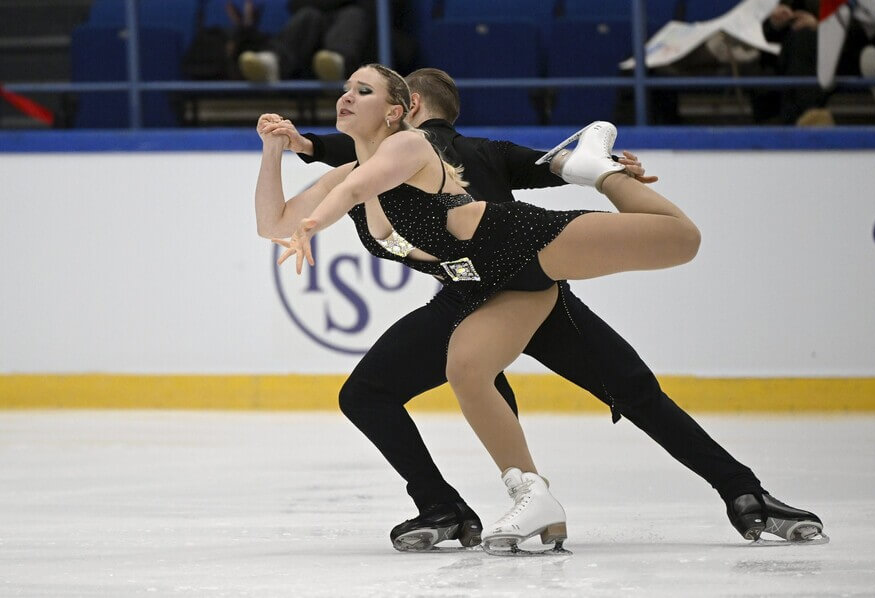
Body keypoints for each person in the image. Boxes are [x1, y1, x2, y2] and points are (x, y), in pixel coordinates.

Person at [254, 65, 825, 551]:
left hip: (523, 260)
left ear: (407, 108)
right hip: (472, 290)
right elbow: (274, 222)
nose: (346, 96)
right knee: (433, 377)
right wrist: (277, 151)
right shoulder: (354, 170)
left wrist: (598, 170)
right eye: (345, 88)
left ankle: (741, 489)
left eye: (364, 89)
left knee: (641, 363)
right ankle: (475, 505)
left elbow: (375, 182)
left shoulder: (421, 148)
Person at [239, 0, 373, 82]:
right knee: (308, 16)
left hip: (353, 42)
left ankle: (336, 64)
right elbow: (296, 4)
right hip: (310, 46)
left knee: (352, 15)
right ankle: (272, 63)